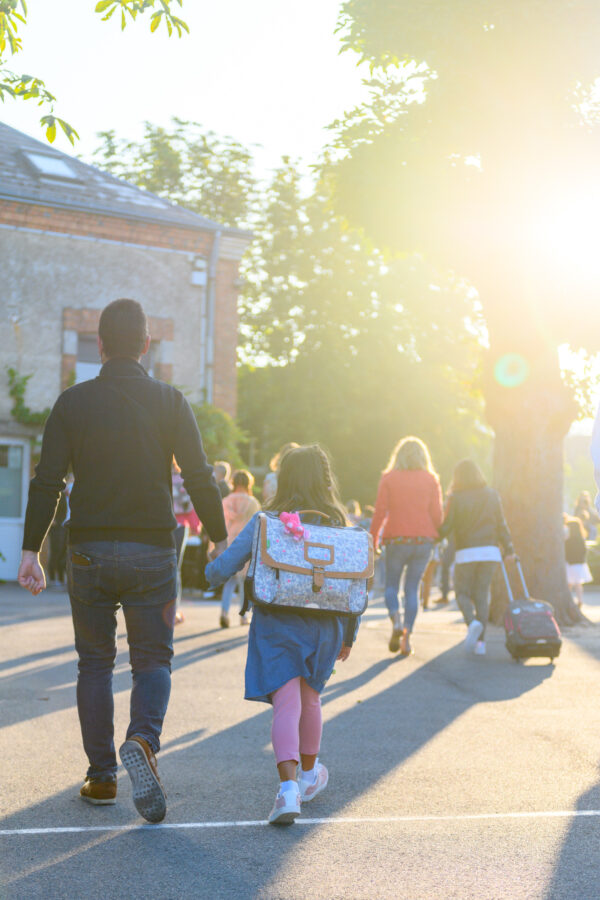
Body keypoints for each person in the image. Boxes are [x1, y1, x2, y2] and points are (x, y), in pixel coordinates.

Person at [17, 298, 227, 823]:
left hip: (87, 550)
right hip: (153, 550)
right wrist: (220, 538)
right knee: (152, 660)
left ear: (102, 345)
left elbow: (47, 482)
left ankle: (102, 776)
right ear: (146, 346)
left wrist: (31, 552)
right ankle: (144, 741)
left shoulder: (72, 402)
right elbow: (199, 474)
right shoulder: (170, 401)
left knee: (94, 663)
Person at [205, 444, 357, 825]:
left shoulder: (267, 521)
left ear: (284, 478)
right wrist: (348, 635)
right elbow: (357, 582)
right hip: (325, 625)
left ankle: (287, 791)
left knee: (287, 705)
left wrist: (210, 573)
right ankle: (309, 776)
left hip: (277, 623)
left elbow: (223, 567)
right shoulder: (339, 524)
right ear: (325, 479)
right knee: (312, 701)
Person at [370, 436, 443, 656]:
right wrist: (438, 536)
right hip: (423, 540)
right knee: (412, 588)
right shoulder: (431, 479)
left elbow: (380, 512)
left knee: (391, 586)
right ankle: (407, 638)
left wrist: (372, 540)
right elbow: (437, 514)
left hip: (396, 538)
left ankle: (396, 618)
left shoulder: (389, 478)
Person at [438, 459, 514, 656]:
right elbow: (501, 524)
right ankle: (481, 643)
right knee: (481, 594)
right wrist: (509, 548)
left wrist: (433, 532)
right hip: (490, 552)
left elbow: (447, 527)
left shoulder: (456, 497)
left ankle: (472, 623)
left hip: (466, 551)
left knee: (462, 592)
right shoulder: (492, 495)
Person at [219, 469, 261, 628]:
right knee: (244, 581)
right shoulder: (253, 502)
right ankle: (243, 616)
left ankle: (224, 612)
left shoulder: (226, 501)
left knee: (229, 581)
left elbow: (222, 523)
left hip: (230, 542)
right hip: (246, 543)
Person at [564, 513, 592, 608]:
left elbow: (565, 552)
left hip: (569, 564)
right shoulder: (581, 539)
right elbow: (584, 551)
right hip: (579, 564)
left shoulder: (567, 540)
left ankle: (570, 600)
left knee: (569, 584)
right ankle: (580, 600)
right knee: (578, 584)